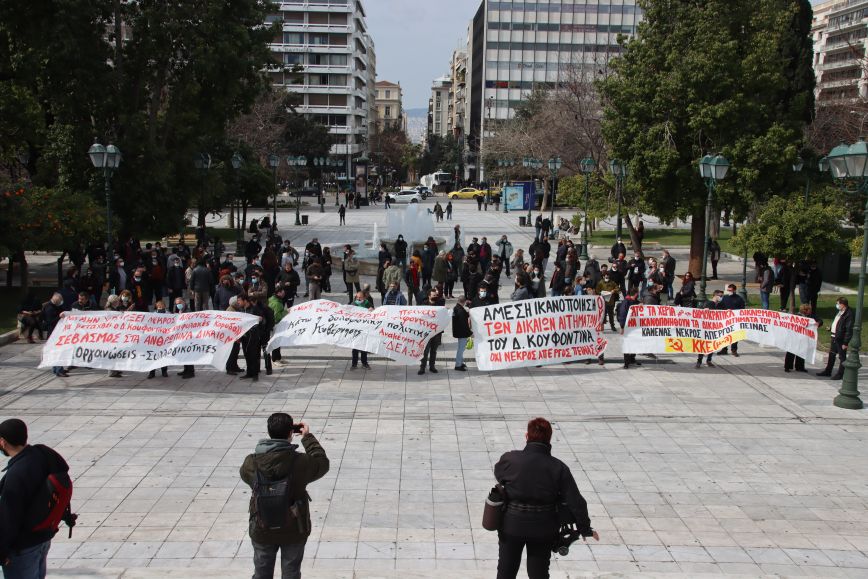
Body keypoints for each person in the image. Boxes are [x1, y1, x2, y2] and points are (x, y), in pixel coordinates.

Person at [494, 417, 597, 579]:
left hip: (511, 525)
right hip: (543, 528)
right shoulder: (558, 467)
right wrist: (585, 528)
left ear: (527, 436)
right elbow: (575, 500)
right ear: (549, 438)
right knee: (538, 574)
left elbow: (499, 475)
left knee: (506, 573)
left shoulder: (509, 459)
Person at [239, 413, 329, 579]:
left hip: (262, 526)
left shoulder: (251, 462)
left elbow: (245, 477)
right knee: (291, 573)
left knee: (261, 573)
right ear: (290, 433)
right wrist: (307, 437)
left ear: (269, 432)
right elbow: (322, 463)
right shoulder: (301, 462)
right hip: (294, 527)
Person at [0, 418, 73, 579]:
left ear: (2, 442)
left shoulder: (16, 474)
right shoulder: (42, 454)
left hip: (23, 547)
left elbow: (9, 518)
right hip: (43, 538)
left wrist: (2, 551)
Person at [817, 297, 853, 380]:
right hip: (834, 336)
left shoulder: (848, 314)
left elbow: (848, 329)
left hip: (841, 339)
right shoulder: (840, 312)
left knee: (842, 357)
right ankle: (828, 371)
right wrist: (831, 328)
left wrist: (845, 342)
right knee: (832, 354)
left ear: (842, 304)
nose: (837, 305)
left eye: (838, 303)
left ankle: (840, 374)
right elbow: (838, 324)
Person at [786, 304, 822, 373]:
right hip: (795, 337)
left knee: (801, 351)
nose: (810, 311)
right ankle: (788, 366)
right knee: (791, 351)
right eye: (809, 310)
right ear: (804, 310)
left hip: (804, 338)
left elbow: (820, 320)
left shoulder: (811, 316)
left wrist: (818, 323)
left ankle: (800, 367)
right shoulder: (797, 316)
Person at [419, 289, 445, 375]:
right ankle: (422, 367)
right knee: (425, 351)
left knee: (434, 351)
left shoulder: (439, 305)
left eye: (436, 295)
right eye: (433, 295)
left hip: (436, 333)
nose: (435, 297)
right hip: (426, 333)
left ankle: (432, 366)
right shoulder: (424, 305)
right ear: (429, 296)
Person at [695, 290, 724, 369]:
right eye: (720, 296)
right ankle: (699, 361)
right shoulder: (709, 303)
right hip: (706, 328)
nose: (721, 297)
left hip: (714, 328)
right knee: (703, 345)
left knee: (712, 344)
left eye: (722, 296)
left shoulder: (720, 304)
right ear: (715, 296)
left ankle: (709, 360)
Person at [718, 284, 745, 357]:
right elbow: (720, 306)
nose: (729, 291)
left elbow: (742, 310)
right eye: (728, 290)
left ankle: (734, 350)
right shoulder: (725, 297)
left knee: (735, 335)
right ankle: (724, 349)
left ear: (734, 290)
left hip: (735, 320)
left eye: (730, 290)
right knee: (724, 335)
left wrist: (733, 311)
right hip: (726, 319)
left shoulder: (739, 299)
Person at [617, 289, 641, 369]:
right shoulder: (626, 302)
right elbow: (623, 315)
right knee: (627, 343)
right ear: (635, 294)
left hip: (635, 327)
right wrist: (622, 327)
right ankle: (626, 362)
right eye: (637, 294)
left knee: (635, 343)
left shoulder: (635, 301)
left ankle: (632, 358)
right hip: (627, 327)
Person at [350, 291, 373, 370]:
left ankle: (364, 363)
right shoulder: (353, 304)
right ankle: (354, 364)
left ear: (364, 297)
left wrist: (371, 309)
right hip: (356, 330)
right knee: (355, 348)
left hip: (364, 329)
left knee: (364, 347)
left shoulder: (367, 303)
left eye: (360, 297)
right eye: (357, 297)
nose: (358, 299)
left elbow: (373, 312)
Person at [452, 295, 471, 371]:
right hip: (462, 333)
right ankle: (458, 365)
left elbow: (465, 314)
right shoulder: (460, 311)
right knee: (461, 349)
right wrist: (470, 332)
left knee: (461, 349)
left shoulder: (456, 308)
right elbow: (464, 324)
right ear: (464, 301)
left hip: (458, 332)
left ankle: (460, 362)